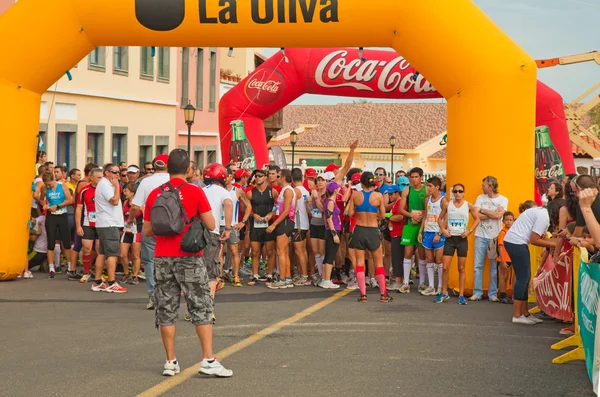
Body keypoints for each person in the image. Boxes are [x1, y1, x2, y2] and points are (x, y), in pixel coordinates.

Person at [143, 149, 232, 378]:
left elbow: (147, 230)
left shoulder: (155, 193)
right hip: (190, 257)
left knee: (166, 309)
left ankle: (170, 361)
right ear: (189, 170)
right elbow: (211, 223)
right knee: (201, 306)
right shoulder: (195, 191)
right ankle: (208, 359)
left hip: (163, 257)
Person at [504, 199, 562, 325]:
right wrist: (556, 243)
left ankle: (525, 313)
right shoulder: (544, 216)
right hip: (516, 242)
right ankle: (517, 315)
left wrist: (553, 242)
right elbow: (535, 240)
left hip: (516, 242)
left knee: (525, 277)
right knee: (523, 278)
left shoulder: (542, 213)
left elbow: (540, 238)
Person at [129, 154, 170, 309]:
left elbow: (134, 206)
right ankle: (168, 295)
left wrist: (131, 219)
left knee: (150, 261)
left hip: (151, 225)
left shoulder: (146, 181)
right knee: (170, 259)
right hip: (172, 226)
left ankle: (153, 296)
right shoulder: (174, 181)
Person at [347, 172, 393, 303]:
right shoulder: (378, 196)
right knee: (378, 262)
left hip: (359, 229)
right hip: (373, 230)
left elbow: (350, 213)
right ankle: (383, 294)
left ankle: (363, 295)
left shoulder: (355, 195)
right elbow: (383, 216)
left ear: (361, 183)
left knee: (360, 262)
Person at [435, 184, 480, 304]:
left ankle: (461, 295)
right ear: (452, 193)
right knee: (445, 267)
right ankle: (443, 293)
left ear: (464, 192)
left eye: (460, 191)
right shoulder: (447, 204)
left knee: (461, 268)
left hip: (461, 239)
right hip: (450, 238)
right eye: (455, 191)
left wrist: (469, 231)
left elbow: (478, 219)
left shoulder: (468, 205)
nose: (458, 193)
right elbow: (439, 219)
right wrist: (443, 230)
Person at [91, 163, 127, 293]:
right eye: (114, 172)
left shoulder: (105, 184)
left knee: (102, 252)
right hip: (109, 223)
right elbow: (115, 201)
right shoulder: (105, 184)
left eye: (119, 172)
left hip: (105, 222)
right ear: (107, 173)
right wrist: (117, 186)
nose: (117, 175)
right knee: (112, 253)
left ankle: (97, 281)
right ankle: (111, 282)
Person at [472, 176, 508, 302]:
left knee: (494, 266)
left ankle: (492, 293)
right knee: (478, 266)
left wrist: (483, 210)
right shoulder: (480, 198)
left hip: (494, 237)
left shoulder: (503, 199)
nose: (482, 187)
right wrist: (491, 213)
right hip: (480, 235)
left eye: (484, 185)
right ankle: (477, 292)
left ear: (491, 186)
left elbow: (499, 216)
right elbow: (475, 216)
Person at [202, 164, 233, 301]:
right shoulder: (223, 192)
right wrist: (227, 228)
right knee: (211, 271)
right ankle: (207, 306)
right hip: (211, 232)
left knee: (197, 269)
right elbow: (228, 204)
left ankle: (194, 307)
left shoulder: (201, 190)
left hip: (195, 233)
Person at [246, 169, 278, 286]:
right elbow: (246, 209)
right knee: (255, 252)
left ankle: (269, 275)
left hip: (268, 224)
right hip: (256, 224)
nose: (257, 178)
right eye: (256, 176)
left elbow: (278, 206)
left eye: (260, 176)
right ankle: (255, 275)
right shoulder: (250, 193)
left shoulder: (272, 192)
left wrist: (271, 214)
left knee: (270, 251)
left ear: (265, 177)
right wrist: (253, 214)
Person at [266, 169, 297, 289]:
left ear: (283, 177)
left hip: (285, 222)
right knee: (283, 251)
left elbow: (286, 211)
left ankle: (283, 279)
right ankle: (287, 278)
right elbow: (279, 208)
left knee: (280, 251)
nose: (275, 178)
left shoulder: (288, 190)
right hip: (283, 221)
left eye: (278, 176)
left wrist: (274, 225)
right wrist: (271, 214)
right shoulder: (284, 190)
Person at [40, 172, 74, 279]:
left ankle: (70, 266)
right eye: (47, 185)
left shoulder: (62, 185)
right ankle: (51, 268)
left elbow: (70, 200)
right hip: (51, 216)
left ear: (54, 180)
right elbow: (41, 199)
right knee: (51, 241)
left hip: (62, 214)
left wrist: (58, 206)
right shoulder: (44, 188)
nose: (49, 186)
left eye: (50, 184)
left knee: (66, 241)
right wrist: (44, 204)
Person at [399, 167, 427, 294]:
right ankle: (405, 283)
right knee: (408, 253)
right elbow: (401, 210)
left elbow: (431, 207)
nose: (414, 179)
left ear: (421, 177)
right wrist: (412, 216)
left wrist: (422, 216)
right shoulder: (406, 190)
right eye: (412, 177)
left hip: (424, 226)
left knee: (422, 254)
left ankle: (422, 283)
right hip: (410, 224)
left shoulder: (427, 190)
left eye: (416, 177)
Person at [418, 176, 445, 296]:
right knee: (429, 259)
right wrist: (420, 231)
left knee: (439, 260)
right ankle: (431, 286)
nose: (427, 188)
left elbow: (446, 218)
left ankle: (440, 286)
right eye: (427, 186)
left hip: (438, 232)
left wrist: (440, 233)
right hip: (428, 231)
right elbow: (425, 215)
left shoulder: (443, 201)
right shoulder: (427, 199)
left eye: (430, 186)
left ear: (437, 187)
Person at [75, 168, 102, 283]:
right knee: (86, 248)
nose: (101, 180)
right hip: (88, 222)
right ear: (91, 178)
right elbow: (79, 208)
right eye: (99, 178)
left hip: (102, 224)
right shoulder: (84, 190)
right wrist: (78, 226)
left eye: (102, 177)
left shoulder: (105, 190)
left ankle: (98, 273)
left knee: (99, 249)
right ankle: (86, 272)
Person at [318, 181, 342, 289]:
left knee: (328, 256)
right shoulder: (331, 202)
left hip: (329, 230)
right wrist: (334, 233)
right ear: (336, 190)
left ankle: (325, 279)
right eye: (338, 188)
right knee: (330, 256)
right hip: (333, 230)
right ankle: (327, 280)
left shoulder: (329, 201)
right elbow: (329, 218)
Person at [292, 168, 311, 286]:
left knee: (299, 251)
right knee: (302, 251)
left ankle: (304, 276)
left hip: (298, 224)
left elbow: (293, 209)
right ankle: (302, 274)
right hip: (304, 224)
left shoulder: (294, 191)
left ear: (292, 180)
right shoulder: (305, 190)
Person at [120, 182, 143, 284]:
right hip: (126, 230)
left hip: (136, 231)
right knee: (122, 254)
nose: (125, 192)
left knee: (135, 255)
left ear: (132, 192)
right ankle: (126, 273)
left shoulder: (139, 204)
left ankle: (135, 275)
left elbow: (146, 215)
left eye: (127, 190)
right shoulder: (125, 202)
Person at [386, 184, 405, 291]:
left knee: (397, 257)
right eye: (389, 194)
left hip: (399, 233)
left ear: (397, 193)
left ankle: (399, 281)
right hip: (395, 233)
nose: (390, 196)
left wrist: (389, 218)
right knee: (395, 257)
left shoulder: (400, 203)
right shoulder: (395, 203)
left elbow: (400, 217)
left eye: (391, 194)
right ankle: (398, 280)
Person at [497, 212, 515, 304]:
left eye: (510, 220)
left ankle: (505, 294)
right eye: (506, 220)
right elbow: (500, 246)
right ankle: (502, 295)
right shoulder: (503, 232)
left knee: (506, 277)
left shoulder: (511, 232)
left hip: (510, 258)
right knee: (502, 277)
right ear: (503, 221)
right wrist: (503, 260)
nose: (508, 222)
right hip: (504, 258)